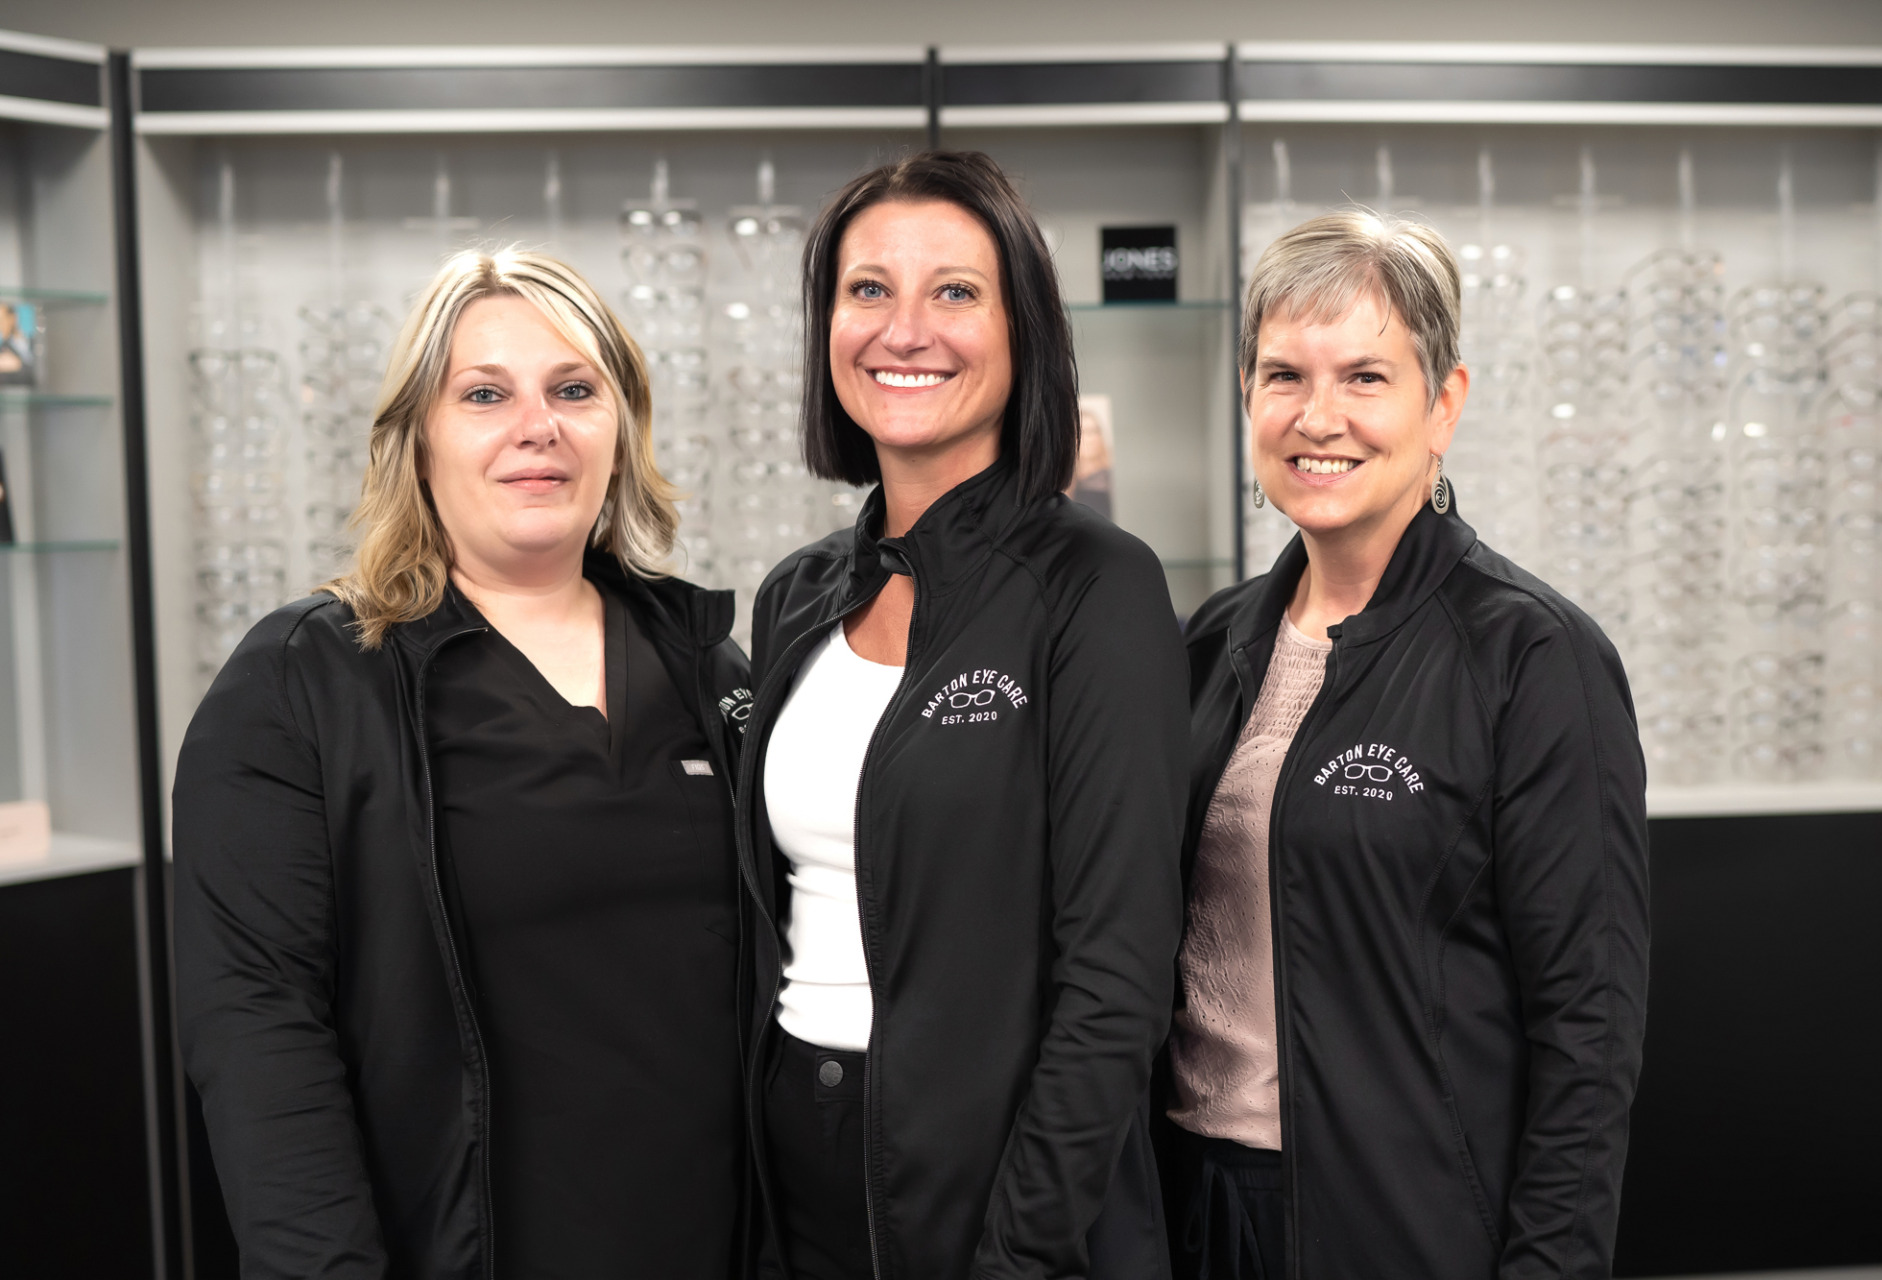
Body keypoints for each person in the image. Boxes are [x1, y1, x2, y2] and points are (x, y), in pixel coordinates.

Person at [174, 249, 751, 1279]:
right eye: (485, 394)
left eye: (575, 390)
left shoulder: (709, 666)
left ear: (621, 430)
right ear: (417, 440)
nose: (539, 425)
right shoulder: (305, 681)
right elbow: (260, 1036)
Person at [1164, 210, 1650, 1280]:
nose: (1318, 414)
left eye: (1366, 376)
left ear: (1443, 405)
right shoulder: (1208, 646)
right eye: (1283, 373)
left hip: (1407, 1226)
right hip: (1193, 1212)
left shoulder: (1534, 655)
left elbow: (1590, 1030)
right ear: (1247, 396)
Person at [739, 150, 1189, 1280]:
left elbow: (1117, 976)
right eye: (867, 289)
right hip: (799, 1161)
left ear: (1021, 327)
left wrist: (1021, 1250)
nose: (905, 329)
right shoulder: (798, 595)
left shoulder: (1097, 586)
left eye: (955, 290)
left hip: (1003, 1187)